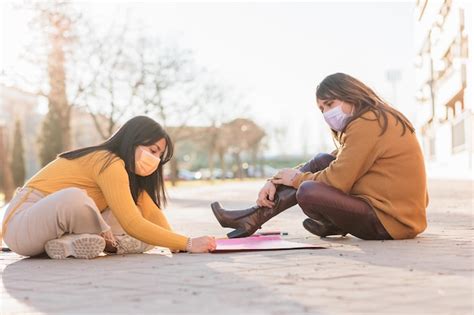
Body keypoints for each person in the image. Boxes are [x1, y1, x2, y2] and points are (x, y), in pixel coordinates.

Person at [212, 73, 428, 240]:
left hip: (392, 222)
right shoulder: (374, 119)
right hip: (396, 215)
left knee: (307, 191)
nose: (326, 113)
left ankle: (252, 219)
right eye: (322, 108)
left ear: (350, 95)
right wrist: (275, 181)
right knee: (320, 161)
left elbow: (337, 181)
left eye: (330, 104)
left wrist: (294, 180)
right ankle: (252, 217)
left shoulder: (367, 124)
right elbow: (333, 161)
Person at [1, 116, 216, 259]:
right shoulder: (108, 161)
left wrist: (174, 243)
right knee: (76, 198)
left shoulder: (128, 175)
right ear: (133, 140)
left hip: (51, 233)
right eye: (152, 150)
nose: (155, 160)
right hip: (21, 226)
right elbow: (132, 223)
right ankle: (116, 243)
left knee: (129, 212)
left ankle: (70, 244)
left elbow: (151, 213)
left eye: (160, 156)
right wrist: (188, 243)